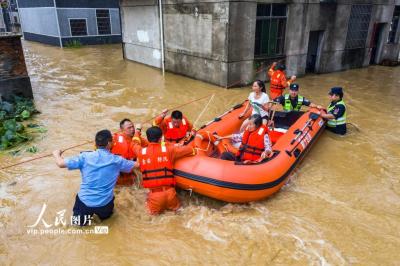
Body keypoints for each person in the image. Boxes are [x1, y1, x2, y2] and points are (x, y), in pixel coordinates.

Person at [53, 130, 137, 226]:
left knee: (78, 227)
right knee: (106, 225)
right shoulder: (117, 160)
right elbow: (137, 165)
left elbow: (60, 163)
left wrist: (56, 154)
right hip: (105, 204)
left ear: (95, 143)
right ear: (109, 143)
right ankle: (101, 233)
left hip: (84, 202)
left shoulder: (84, 157)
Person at [132, 126, 196, 215]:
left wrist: (137, 131)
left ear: (148, 138)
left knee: (152, 218)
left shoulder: (141, 152)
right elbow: (190, 150)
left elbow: (134, 144)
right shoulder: (169, 150)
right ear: (161, 138)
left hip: (155, 196)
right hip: (171, 194)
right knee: (178, 214)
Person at [111, 118, 147, 186]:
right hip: (118, 177)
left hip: (133, 176)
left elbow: (152, 148)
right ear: (122, 130)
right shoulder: (114, 139)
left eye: (133, 126)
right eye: (129, 128)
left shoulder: (140, 140)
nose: (132, 129)